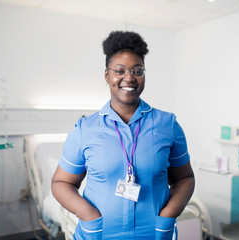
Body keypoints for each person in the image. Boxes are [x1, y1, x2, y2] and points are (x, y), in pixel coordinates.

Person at [51, 30, 195, 240]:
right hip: (98, 235)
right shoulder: (85, 129)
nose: (129, 78)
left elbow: (185, 178)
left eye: (138, 71)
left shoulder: (168, 125)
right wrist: (89, 216)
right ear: (107, 75)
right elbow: (61, 183)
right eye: (120, 70)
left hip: (153, 234)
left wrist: (168, 216)